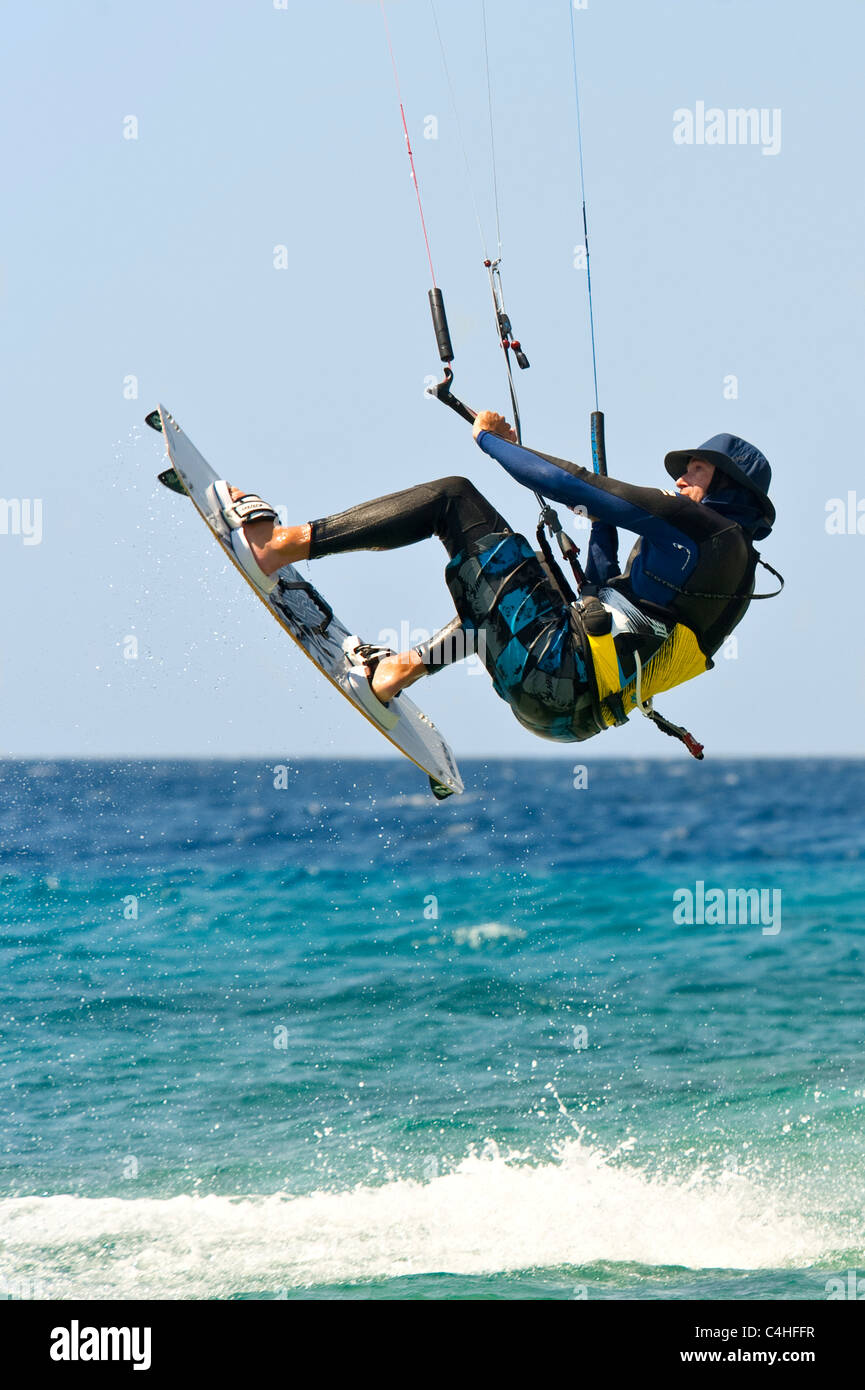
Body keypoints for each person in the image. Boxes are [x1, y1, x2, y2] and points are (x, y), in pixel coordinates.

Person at [208, 413, 777, 748]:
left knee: (454, 498)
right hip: (566, 717)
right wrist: (604, 522)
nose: (679, 479)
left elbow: (573, 484)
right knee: (521, 585)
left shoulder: (705, 531)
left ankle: (277, 547)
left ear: (729, 487)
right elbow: (600, 596)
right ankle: (394, 672)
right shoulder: (729, 573)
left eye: (694, 471)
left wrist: (493, 441)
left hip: (552, 668)